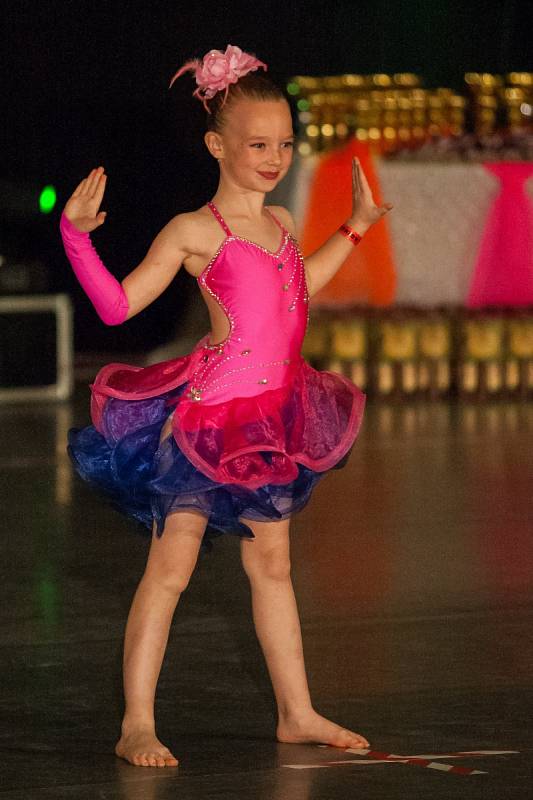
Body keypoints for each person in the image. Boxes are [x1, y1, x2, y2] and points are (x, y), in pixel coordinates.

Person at [60, 44, 392, 768]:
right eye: (258, 145)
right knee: (171, 570)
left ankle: (295, 712)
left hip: (273, 420)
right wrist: (77, 241)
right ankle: (137, 724)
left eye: (284, 145)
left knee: (271, 568)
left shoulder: (280, 225)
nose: (275, 158)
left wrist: (357, 224)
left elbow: (302, 287)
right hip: (207, 427)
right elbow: (117, 310)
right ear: (217, 145)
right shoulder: (194, 231)